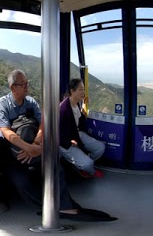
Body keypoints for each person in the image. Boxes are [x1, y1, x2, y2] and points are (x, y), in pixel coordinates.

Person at [0, 69, 115, 221]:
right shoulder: (3, 104)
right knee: (23, 183)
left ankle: (65, 207)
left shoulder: (31, 102)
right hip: (12, 153)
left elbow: (43, 124)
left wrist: (35, 145)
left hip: (32, 146)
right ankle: (48, 208)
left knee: (54, 164)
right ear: (13, 87)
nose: (27, 86)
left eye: (28, 83)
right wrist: (28, 149)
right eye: (23, 84)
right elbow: (6, 131)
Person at [59, 78, 106, 179]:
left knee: (100, 148)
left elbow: (78, 120)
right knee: (87, 164)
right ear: (72, 91)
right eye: (80, 89)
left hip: (76, 134)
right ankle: (87, 168)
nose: (83, 92)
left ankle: (83, 163)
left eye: (84, 89)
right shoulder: (63, 110)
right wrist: (70, 142)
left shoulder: (77, 103)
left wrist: (84, 106)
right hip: (65, 143)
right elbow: (57, 134)